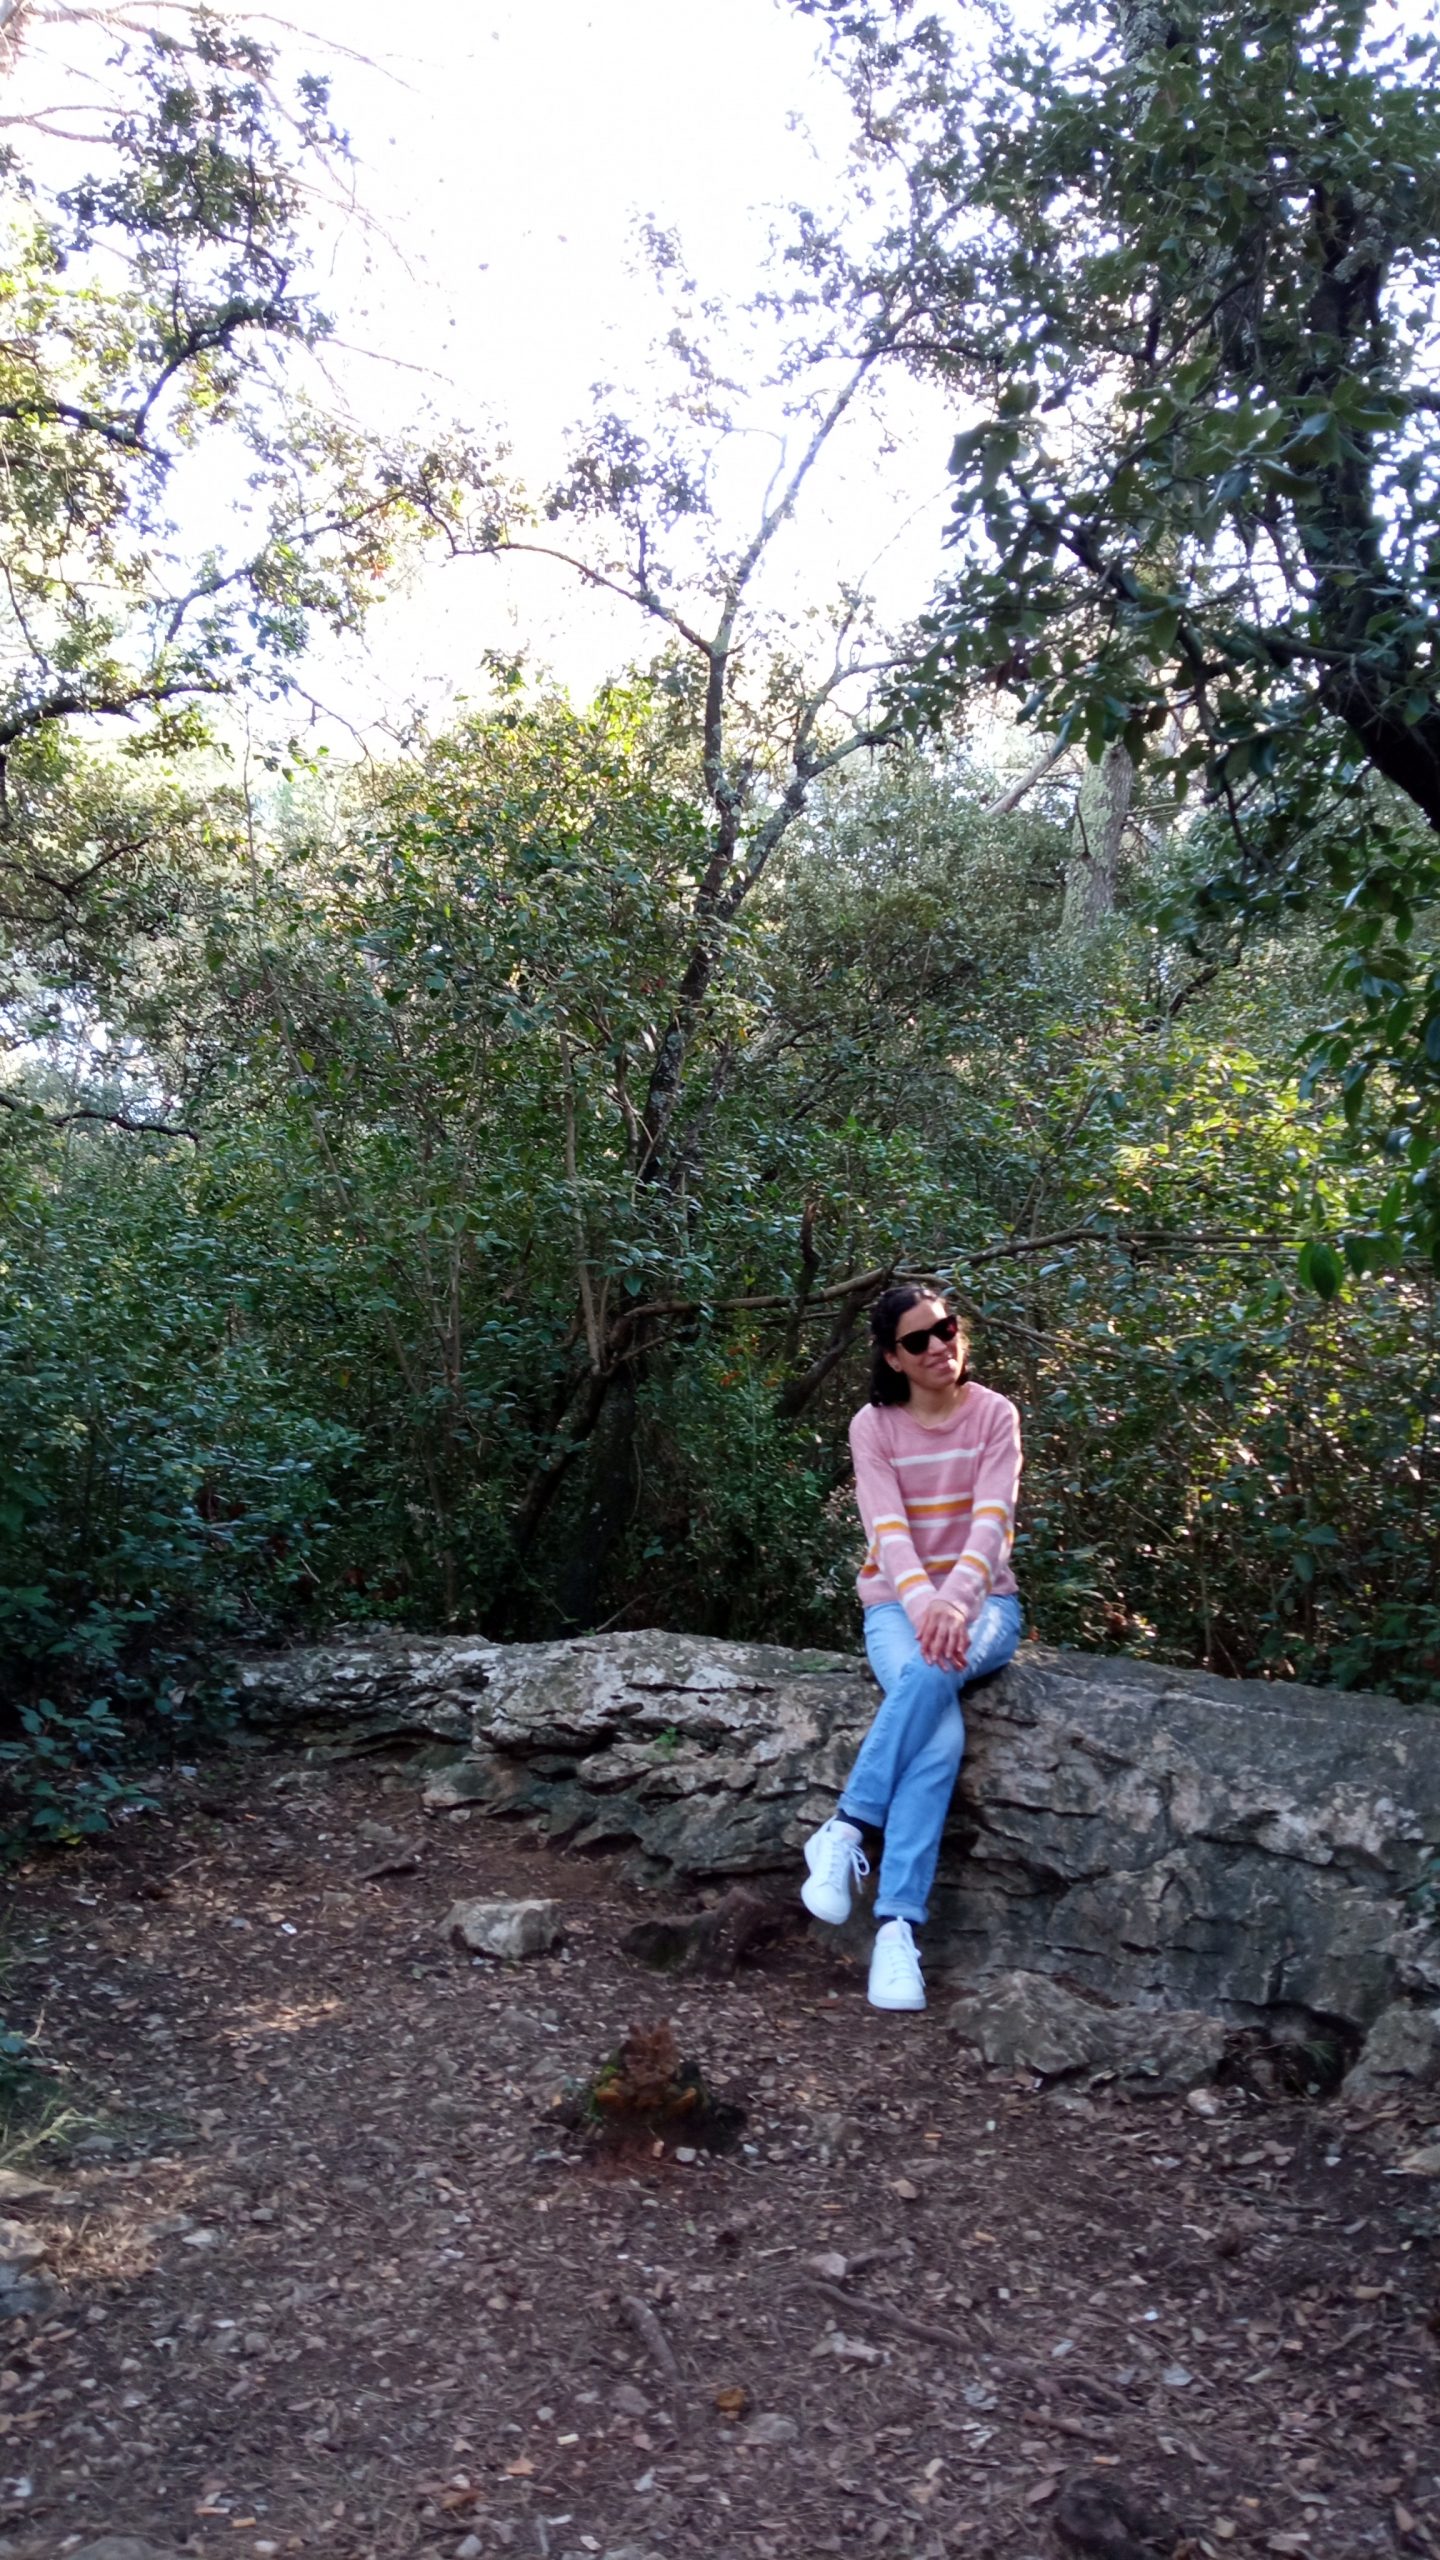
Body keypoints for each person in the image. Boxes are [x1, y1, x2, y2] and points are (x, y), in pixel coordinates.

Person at [800, 1285, 1024, 2013]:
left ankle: (846, 1827)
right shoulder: (874, 1426)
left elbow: (992, 1522)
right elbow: (886, 1529)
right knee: (942, 1731)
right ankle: (897, 1928)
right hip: (898, 1606)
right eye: (918, 1339)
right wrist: (927, 1605)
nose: (938, 1347)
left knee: (934, 1669)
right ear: (892, 1357)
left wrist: (955, 1603)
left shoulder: (994, 1415)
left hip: (986, 1605)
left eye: (946, 1329)